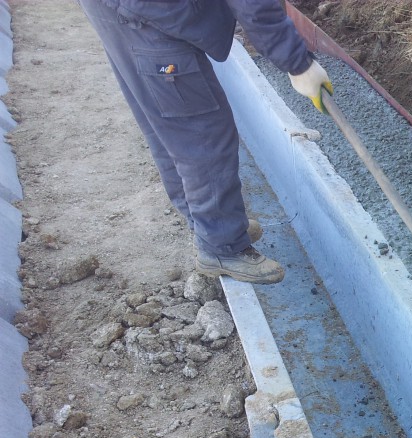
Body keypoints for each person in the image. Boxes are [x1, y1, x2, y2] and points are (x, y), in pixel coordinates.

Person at [78, 0, 333, 284]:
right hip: (145, 15)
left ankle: (209, 224)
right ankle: (222, 246)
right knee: (202, 134)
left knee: (168, 123)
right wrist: (298, 64)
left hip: (121, 11)